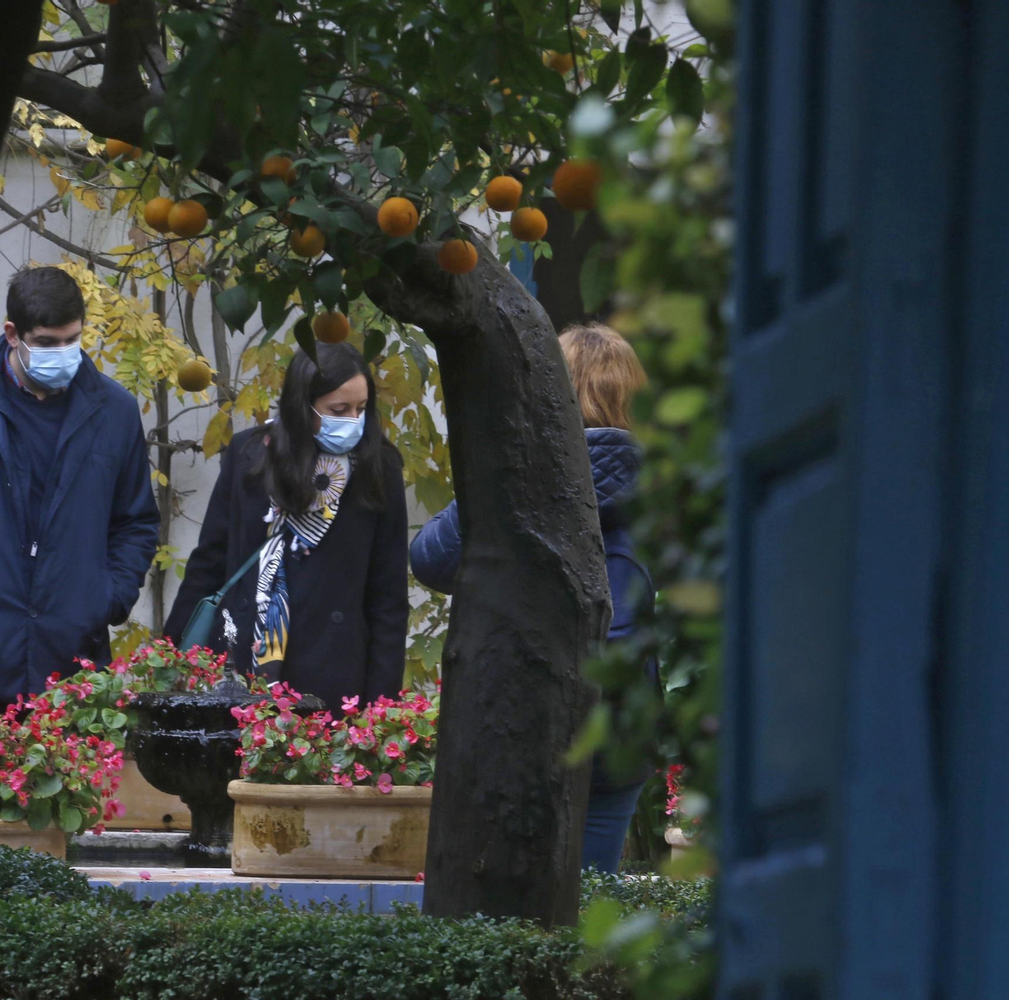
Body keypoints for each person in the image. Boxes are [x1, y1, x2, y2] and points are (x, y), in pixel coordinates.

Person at [410, 323, 656, 873]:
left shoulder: (519, 472)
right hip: (618, 729)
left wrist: (501, 458)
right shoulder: (665, 481)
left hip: (522, 719)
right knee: (591, 891)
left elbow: (430, 558)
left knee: (507, 899)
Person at [0, 266, 159, 716]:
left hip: (74, 674)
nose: (62, 353)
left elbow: (136, 522)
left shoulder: (115, 411)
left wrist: (108, 596)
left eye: (73, 339)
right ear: (12, 333)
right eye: (47, 342)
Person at [164, 341, 409, 712]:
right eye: (339, 410)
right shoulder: (249, 455)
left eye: (361, 409)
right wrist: (169, 660)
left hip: (332, 674)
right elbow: (208, 563)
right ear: (302, 405)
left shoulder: (379, 467)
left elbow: (388, 598)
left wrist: (379, 707)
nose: (353, 421)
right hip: (238, 666)